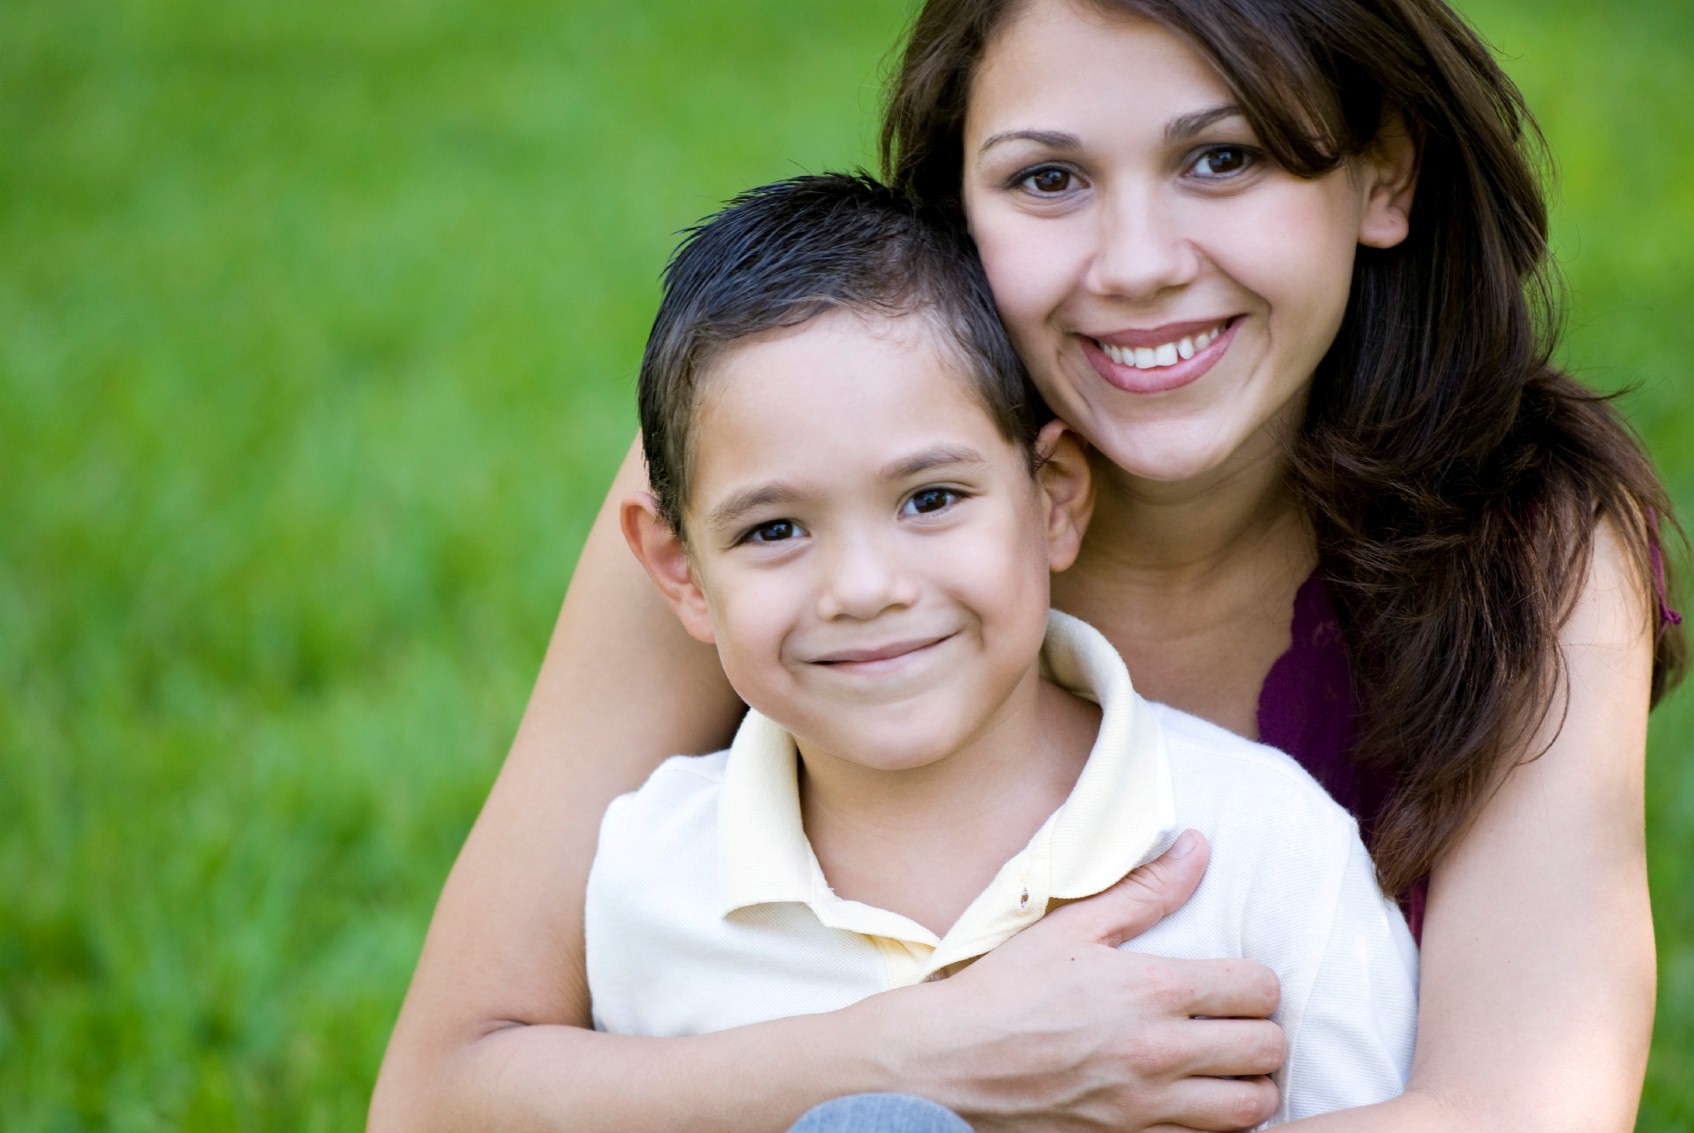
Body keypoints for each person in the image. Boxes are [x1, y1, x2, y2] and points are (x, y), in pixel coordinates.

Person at [369, 0, 1685, 1129]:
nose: (1135, 266)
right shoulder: (777, 504)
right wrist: (935, 1057)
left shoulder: (1531, 545)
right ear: (954, 214)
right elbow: (437, 1097)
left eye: (1220, 159)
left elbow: (1520, 1110)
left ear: (1381, 176)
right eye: (1047, 180)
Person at [593, 172, 1416, 1125]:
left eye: (930, 499)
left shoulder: (1263, 847)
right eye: (774, 529)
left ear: (1055, 498)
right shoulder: (654, 880)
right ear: (681, 570)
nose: (865, 587)